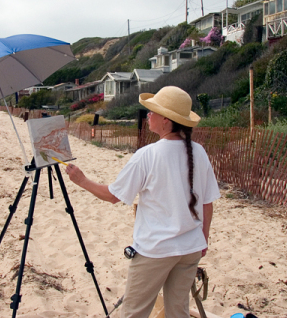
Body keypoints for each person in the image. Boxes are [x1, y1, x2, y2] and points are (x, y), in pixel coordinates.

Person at [65, 86, 221, 318]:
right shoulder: (199, 151)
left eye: (153, 111)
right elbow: (207, 203)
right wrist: (203, 240)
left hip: (156, 250)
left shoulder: (147, 155)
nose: (148, 115)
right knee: (178, 312)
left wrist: (82, 180)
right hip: (190, 248)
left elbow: (113, 196)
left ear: (166, 121)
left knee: (134, 313)